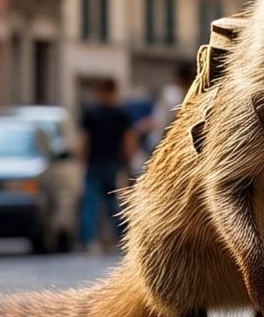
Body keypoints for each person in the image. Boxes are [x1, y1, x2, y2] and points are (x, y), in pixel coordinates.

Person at [79, 78, 134, 251]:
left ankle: (89, 241)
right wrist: (127, 162)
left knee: (91, 204)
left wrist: (82, 160)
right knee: (114, 204)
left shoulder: (91, 113)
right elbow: (128, 141)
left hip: (95, 163)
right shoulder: (120, 114)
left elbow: (83, 140)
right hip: (113, 163)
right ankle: (122, 240)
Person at [146, 61, 196, 152]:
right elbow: (175, 117)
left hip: (159, 140)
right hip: (161, 142)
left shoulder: (171, 91)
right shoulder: (173, 93)